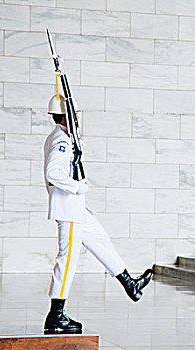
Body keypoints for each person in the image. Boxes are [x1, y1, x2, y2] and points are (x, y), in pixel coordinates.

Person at [43, 94, 153, 334]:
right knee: (67, 259)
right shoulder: (61, 140)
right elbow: (53, 172)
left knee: (101, 241)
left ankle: (129, 283)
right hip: (70, 209)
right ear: (65, 115)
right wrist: (77, 186)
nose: (78, 117)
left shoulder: (65, 137)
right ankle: (56, 315)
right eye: (74, 113)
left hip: (79, 209)